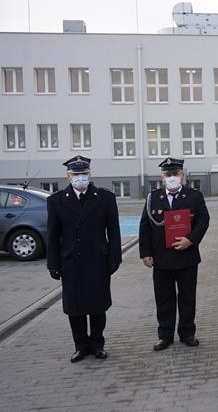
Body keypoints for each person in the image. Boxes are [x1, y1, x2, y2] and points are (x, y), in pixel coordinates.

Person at [46, 155, 122, 363]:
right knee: (75, 306)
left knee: (98, 305)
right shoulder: (57, 201)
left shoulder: (105, 198)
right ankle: (80, 345)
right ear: (68, 176)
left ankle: (97, 344)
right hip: (71, 262)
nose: (80, 178)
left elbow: (113, 231)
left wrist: (115, 257)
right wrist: (53, 263)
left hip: (97, 260)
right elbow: (52, 236)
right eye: (76, 174)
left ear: (90, 174)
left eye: (84, 174)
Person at [139, 157, 210, 351]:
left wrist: (191, 240)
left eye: (175, 174)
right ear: (162, 177)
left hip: (186, 257)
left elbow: (203, 221)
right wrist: (145, 253)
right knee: (164, 299)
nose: (171, 177)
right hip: (161, 258)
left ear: (182, 175)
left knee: (187, 297)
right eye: (167, 174)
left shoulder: (194, 196)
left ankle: (187, 333)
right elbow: (145, 227)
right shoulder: (153, 198)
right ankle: (165, 335)